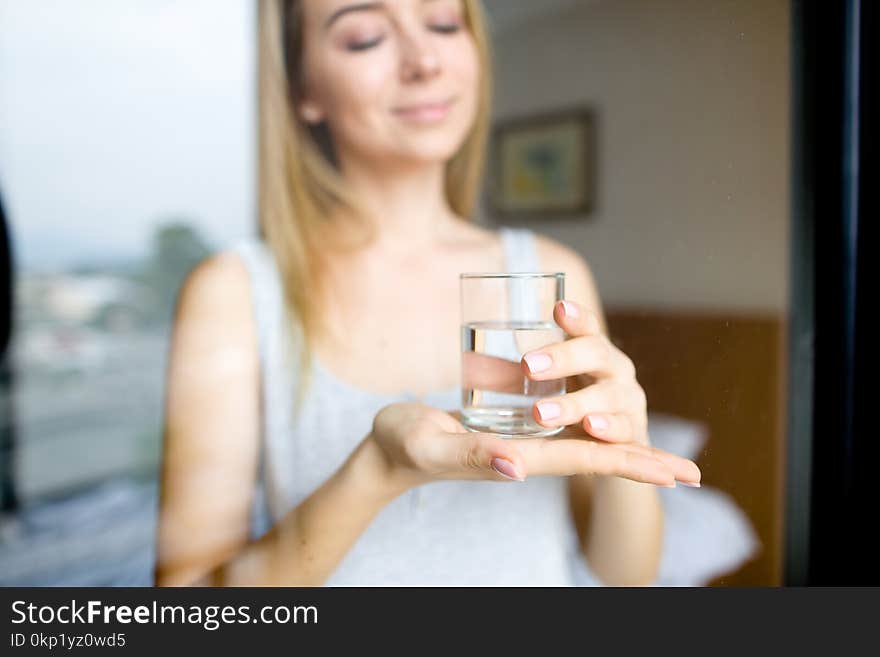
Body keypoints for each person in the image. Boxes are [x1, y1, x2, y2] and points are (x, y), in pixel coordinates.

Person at [154, 0, 700, 587]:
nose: (425, 61)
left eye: (443, 24)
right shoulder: (237, 294)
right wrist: (374, 474)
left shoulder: (549, 271)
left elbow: (623, 579)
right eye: (365, 38)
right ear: (303, 88)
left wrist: (628, 439)